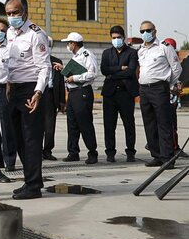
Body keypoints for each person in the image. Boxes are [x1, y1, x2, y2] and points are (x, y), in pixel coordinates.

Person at [5, 0, 50, 200]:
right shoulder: (10, 33)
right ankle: (31, 179)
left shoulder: (36, 34)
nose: (12, 17)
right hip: (14, 89)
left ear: (25, 12)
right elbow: (11, 62)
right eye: (9, 13)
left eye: (16, 12)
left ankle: (33, 187)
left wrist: (38, 92)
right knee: (18, 139)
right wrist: (8, 84)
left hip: (31, 90)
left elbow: (44, 67)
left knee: (31, 139)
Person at [137, 21, 182, 168]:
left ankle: (168, 158)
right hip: (144, 89)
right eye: (142, 31)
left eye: (148, 30)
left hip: (159, 88)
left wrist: (168, 84)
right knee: (149, 124)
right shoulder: (141, 49)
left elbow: (177, 68)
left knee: (163, 123)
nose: (145, 34)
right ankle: (156, 155)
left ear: (154, 31)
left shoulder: (164, 47)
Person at [55, 32, 99, 164]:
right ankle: (73, 152)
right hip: (73, 93)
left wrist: (74, 78)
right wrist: (64, 69)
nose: (68, 46)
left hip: (82, 92)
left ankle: (92, 152)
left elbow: (92, 73)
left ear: (73, 44)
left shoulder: (87, 55)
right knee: (72, 123)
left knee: (85, 123)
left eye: (69, 43)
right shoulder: (76, 56)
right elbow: (78, 70)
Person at [100, 26, 138, 163]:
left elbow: (131, 71)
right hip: (110, 94)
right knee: (109, 125)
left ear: (123, 37)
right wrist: (120, 68)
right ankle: (110, 153)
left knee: (129, 123)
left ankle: (131, 152)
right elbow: (104, 70)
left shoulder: (132, 53)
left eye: (118, 37)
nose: (116, 40)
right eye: (113, 38)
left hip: (126, 93)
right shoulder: (106, 53)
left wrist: (113, 73)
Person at [0, 18, 16, 180]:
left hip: (4, 89)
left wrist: (9, 88)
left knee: (6, 126)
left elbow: (13, 71)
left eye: (2, 30)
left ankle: (10, 160)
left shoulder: (10, 49)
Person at [42, 37, 66, 161]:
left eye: (49, 45)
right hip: (39, 94)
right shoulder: (34, 60)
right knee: (36, 126)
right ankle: (36, 151)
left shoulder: (57, 61)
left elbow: (61, 83)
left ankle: (47, 150)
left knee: (50, 127)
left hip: (51, 95)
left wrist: (62, 101)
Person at [162, 38, 186, 157]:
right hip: (164, 97)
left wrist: (178, 86)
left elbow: (178, 78)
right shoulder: (162, 65)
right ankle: (173, 147)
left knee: (171, 124)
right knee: (169, 124)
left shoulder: (174, 65)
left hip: (171, 99)